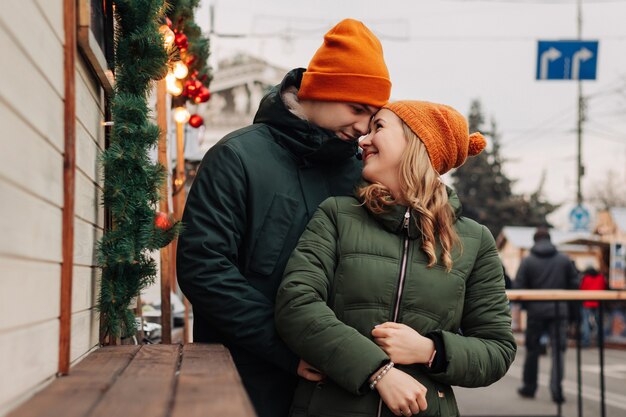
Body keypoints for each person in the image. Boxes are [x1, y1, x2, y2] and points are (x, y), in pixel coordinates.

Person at [176, 18, 392, 417]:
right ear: (323, 90)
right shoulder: (236, 157)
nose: (364, 128)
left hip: (338, 385)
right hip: (244, 378)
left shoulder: (360, 173)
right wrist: (288, 349)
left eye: (373, 116)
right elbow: (203, 268)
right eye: (357, 109)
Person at [275, 101, 516, 417]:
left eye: (379, 127)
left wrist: (430, 351)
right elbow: (296, 304)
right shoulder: (336, 215)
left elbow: (497, 349)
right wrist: (378, 372)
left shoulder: (474, 241)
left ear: (418, 142)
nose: (363, 139)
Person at [514, 227, 579, 403]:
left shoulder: (528, 261)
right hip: (560, 310)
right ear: (551, 240)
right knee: (558, 351)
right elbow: (575, 285)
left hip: (536, 311)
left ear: (535, 241)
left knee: (532, 350)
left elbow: (518, 287)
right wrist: (573, 313)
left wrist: (528, 306)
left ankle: (529, 387)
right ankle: (557, 391)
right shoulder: (564, 260)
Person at [579, 266, 607, 347]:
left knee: (585, 322)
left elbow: (582, 289)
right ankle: (600, 341)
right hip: (598, 302)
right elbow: (604, 288)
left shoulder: (586, 278)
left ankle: (586, 342)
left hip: (587, 302)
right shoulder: (601, 277)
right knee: (599, 323)